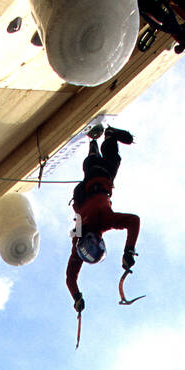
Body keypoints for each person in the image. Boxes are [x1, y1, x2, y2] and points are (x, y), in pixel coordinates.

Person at [65, 125, 140, 317]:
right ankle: (98, 141)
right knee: (100, 161)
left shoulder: (100, 224)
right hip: (91, 183)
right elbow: (70, 278)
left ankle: (104, 138)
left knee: (107, 160)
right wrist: (76, 297)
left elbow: (134, 221)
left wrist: (128, 250)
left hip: (98, 179)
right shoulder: (80, 239)